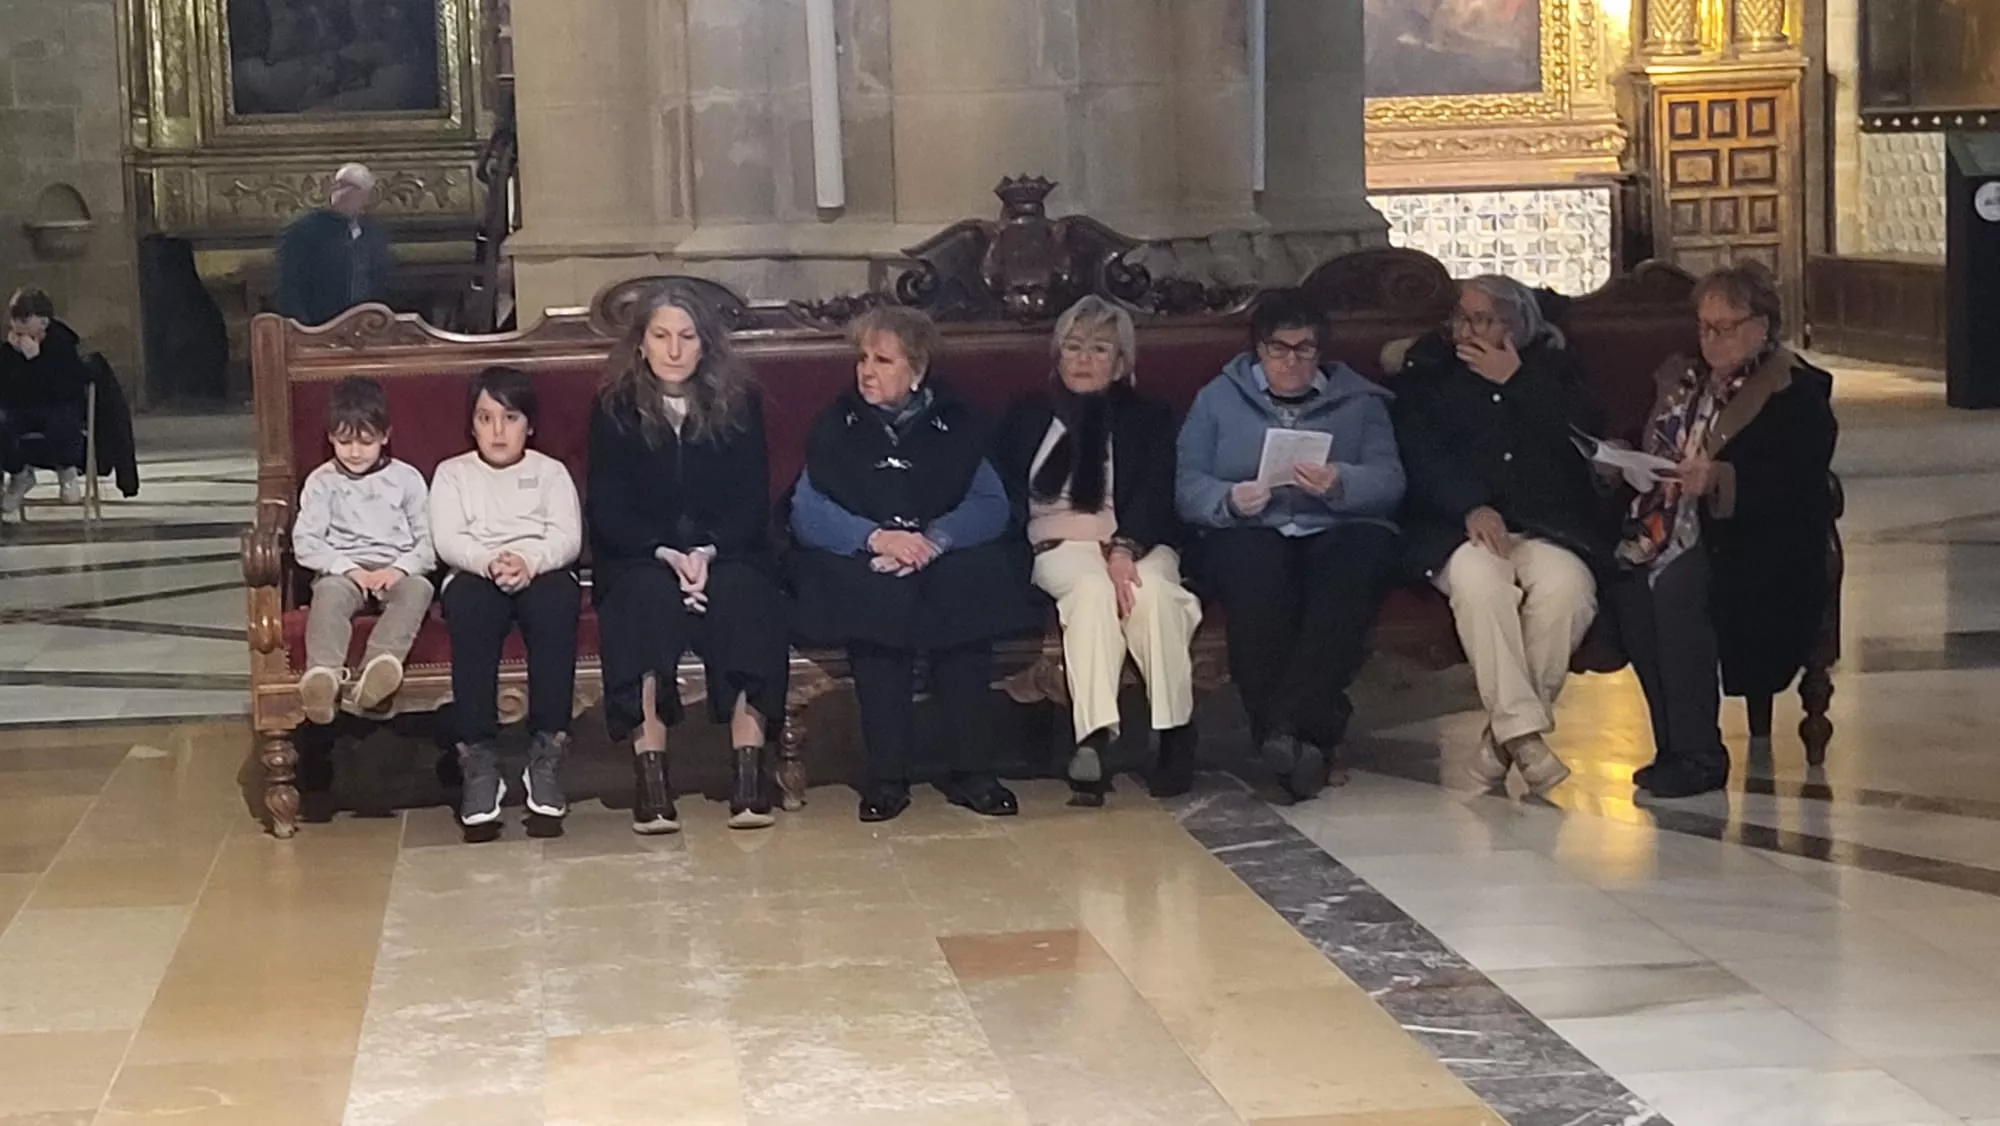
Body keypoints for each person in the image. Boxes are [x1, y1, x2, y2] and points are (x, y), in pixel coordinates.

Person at [790, 306, 1036, 822]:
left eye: (883, 360)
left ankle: (972, 773)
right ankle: (887, 778)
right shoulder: (836, 423)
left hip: (940, 554)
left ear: (917, 370)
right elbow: (808, 511)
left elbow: (991, 504)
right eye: (862, 358)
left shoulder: (961, 420)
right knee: (875, 604)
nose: (867, 371)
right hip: (866, 556)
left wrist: (934, 540)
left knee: (965, 595)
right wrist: (875, 537)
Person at [1612, 264, 1836, 800]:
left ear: (1763, 325)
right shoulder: (1681, 378)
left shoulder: (1794, 390)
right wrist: (1626, 460)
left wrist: (1717, 478)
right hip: (1670, 523)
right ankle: (1672, 744)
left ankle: (1701, 753)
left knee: (1676, 590)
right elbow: (1641, 434)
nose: (1711, 340)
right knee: (1628, 585)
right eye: (1704, 327)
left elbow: (1793, 476)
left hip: (1754, 541)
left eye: (1725, 327)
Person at [1176, 287, 1405, 803]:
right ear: (1258, 350)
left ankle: (1282, 731)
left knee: (1348, 579)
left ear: (1321, 353)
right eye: (1279, 349)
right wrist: (1230, 500)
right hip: (1250, 527)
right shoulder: (1218, 398)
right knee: (1257, 585)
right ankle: (1310, 737)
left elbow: (1390, 480)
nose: (1292, 361)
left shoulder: (1361, 401)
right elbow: (1188, 484)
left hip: (1336, 524)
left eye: (1305, 349)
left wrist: (1340, 482)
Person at [1392, 275, 1607, 795]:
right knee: (1484, 584)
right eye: (1461, 318)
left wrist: (1518, 381)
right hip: (1453, 529)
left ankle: (1501, 741)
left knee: (1570, 589)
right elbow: (1418, 455)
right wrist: (1468, 505)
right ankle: (1525, 741)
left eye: (1483, 319)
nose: (1468, 330)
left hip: (1541, 526)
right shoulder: (1429, 370)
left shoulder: (1551, 372)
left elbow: (1582, 446)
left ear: (1517, 325)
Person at [588, 285, 792, 835]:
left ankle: (749, 777)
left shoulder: (739, 404)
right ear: (640, 345)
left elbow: (753, 499)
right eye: (661, 337)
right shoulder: (613, 408)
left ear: (706, 346)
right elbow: (608, 506)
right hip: (640, 553)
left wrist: (706, 552)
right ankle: (652, 780)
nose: (674, 350)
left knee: (747, 597)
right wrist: (665, 555)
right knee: (645, 601)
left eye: (686, 337)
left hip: (727, 548)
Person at [997, 296, 1202, 806]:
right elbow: (1004, 492)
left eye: (1099, 348)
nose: (1083, 359)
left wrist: (1124, 548)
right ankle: (1092, 742)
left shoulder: (1148, 416)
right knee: (1090, 594)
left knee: (1150, 593)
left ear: (1122, 362)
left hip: (1136, 538)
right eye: (1073, 347)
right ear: (1057, 355)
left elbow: (1158, 492)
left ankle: (1175, 735)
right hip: (1059, 543)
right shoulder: (1027, 415)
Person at [430, 366, 583, 840]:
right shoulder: (452, 473)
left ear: (529, 425)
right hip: (476, 571)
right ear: (471, 424)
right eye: (485, 417)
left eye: (510, 418)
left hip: (540, 568)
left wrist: (530, 561)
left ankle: (546, 753)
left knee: (558, 603)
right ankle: (478, 761)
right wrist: (489, 562)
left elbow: (567, 537)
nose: (498, 431)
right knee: (472, 612)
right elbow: (448, 538)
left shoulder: (550, 473)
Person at [291, 376, 434, 725]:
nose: (355, 452)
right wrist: (348, 569)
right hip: (344, 571)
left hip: (395, 567)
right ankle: (323, 676)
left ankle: (378, 668)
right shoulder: (322, 481)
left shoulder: (407, 479)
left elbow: (429, 541)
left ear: (385, 436)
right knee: (328, 595)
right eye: (344, 441)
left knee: (419, 589)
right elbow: (306, 542)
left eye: (366, 442)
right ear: (330, 438)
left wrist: (398, 570)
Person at [0, 289, 92, 515]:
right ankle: (20, 474)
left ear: (43, 321)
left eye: (24, 320)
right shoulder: (10, 349)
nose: (18, 327)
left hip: (58, 406)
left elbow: (67, 387)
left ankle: (67, 470)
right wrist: (11, 358)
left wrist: (36, 360)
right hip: (21, 408)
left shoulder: (61, 343)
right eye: (14, 320)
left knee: (61, 422)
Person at [275, 162, 396, 327]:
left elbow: (381, 282)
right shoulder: (303, 230)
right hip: (319, 325)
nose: (341, 192)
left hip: (367, 327)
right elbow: (289, 288)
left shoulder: (374, 231)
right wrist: (305, 330)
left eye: (351, 187)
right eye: (339, 185)